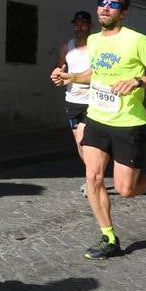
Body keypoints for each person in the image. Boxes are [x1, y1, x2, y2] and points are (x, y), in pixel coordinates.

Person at [51, 0, 146, 261]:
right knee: (92, 177)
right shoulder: (94, 40)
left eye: (112, 5)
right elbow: (95, 72)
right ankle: (109, 237)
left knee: (125, 190)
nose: (105, 8)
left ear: (123, 13)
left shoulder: (136, 40)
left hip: (127, 123)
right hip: (96, 117)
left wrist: (137, 81)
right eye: (102, 3)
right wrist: (69, 78)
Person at [53, 11, 94, 195]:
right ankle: (92, 175)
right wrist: (56, 74)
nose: (79, 27)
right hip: (72, 101)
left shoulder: (97, 46)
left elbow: (99, 73)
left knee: (83, 139)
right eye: (76, 24)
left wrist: (71, 78)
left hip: (92, 101)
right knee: (79, 144)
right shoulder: (66, 46)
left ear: (90, 26)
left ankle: (92, 179)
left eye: (82, 24)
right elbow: (60, 67)